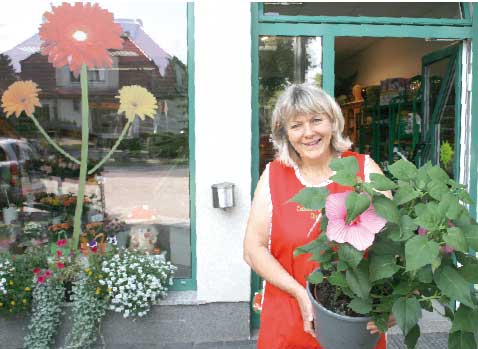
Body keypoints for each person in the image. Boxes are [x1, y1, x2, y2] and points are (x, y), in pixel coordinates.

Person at [243, 84, 394, 349]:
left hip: (353, 323)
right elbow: (252, 249)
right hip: (287, 321)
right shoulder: (274, 176)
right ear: (285, 134)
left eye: (316, 120)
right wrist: (301, 294)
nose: (308, 133)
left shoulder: (363, 169)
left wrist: (393, 301)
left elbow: (393, 245)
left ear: (333, 122)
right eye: (296, 125)